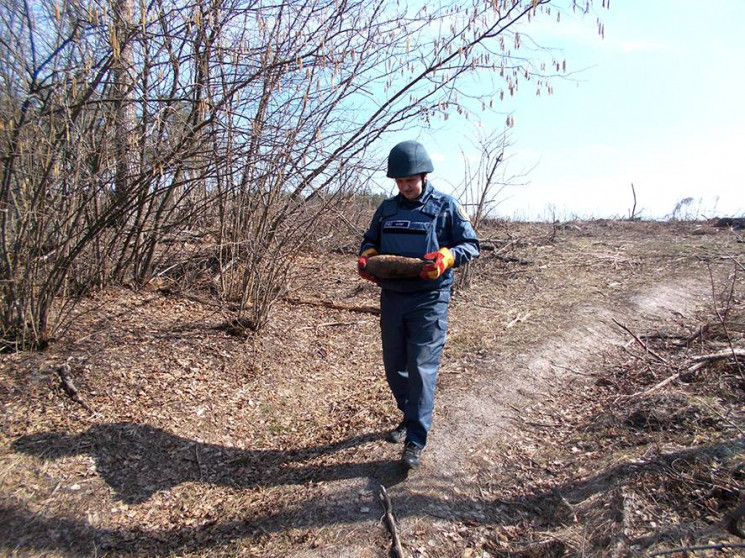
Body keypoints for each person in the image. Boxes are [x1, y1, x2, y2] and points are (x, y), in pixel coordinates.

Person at [357, 140, 480, 470]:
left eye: (410, 180)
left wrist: (449, 256)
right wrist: (368, 256)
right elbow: (371, 240)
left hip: (429, 300)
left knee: (421, 370)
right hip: (393, 297)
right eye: (399, 181)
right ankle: (409, 416)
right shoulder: (387, 209)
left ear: (424, 175)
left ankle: (416, 438)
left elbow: (471, 245)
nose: (405, 186)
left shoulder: (446, 206)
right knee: (395, 367)